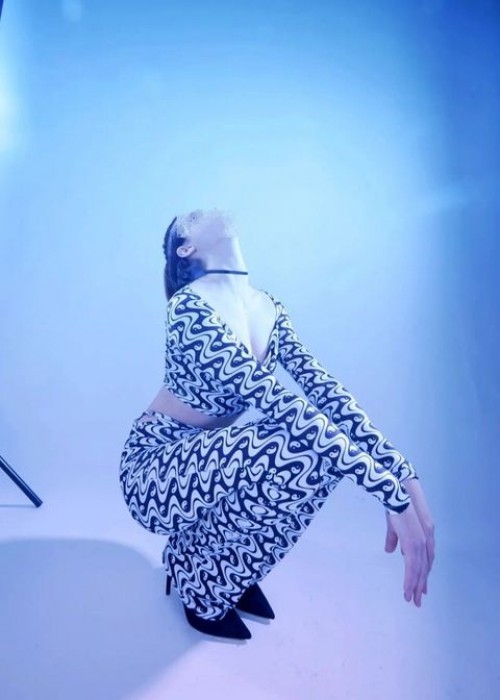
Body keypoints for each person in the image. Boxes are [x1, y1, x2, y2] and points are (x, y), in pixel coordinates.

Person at [119, 207, 435, 641]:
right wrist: (388, 492)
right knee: (298, 441)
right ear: (186, 249)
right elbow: (275, 401)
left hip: (210, 465)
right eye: (192, 217)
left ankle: (221, 566)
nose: (207, 210)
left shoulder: (266, 307)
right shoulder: (188, 310)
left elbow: (328, 394)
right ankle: (201, 586)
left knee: (323, 445)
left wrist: (402, 471)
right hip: (154, 471)